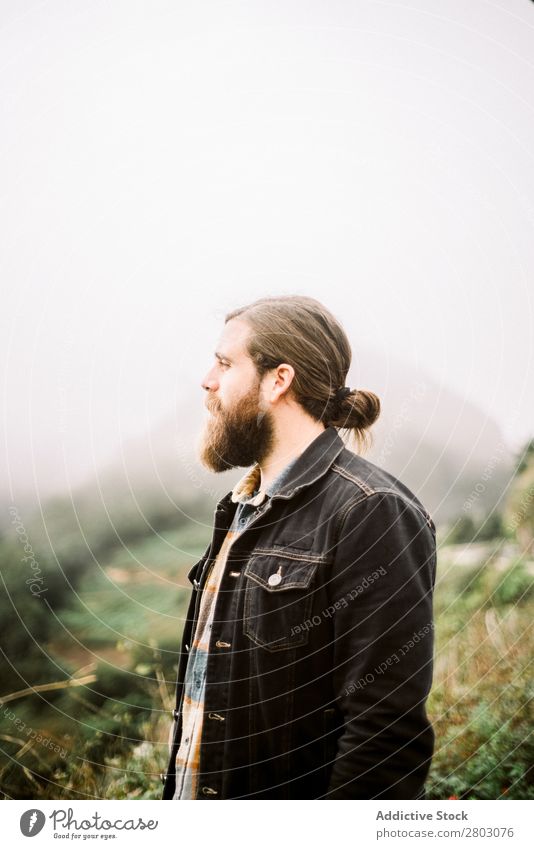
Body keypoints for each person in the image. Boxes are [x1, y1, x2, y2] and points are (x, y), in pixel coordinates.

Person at [161, 295, 436, 800]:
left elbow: (386, 736)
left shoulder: (371, 512)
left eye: (224, 363)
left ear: (278, 380)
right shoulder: (242, 508)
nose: (207, 380)